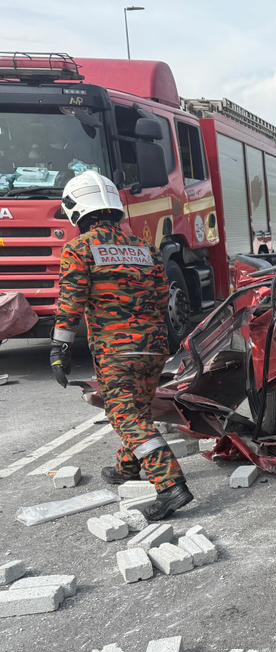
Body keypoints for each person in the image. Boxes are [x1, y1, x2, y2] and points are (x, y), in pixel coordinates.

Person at [49, 171, 193, 519]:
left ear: (77, 210)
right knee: (139, 409)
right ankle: (126, 468)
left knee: (123, 414)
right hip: (154, 346)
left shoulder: (80, 249)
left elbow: (71, 304)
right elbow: (163, 298)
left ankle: (170, 485)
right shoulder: (143, 248)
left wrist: (60, 350)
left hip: (117, 350)